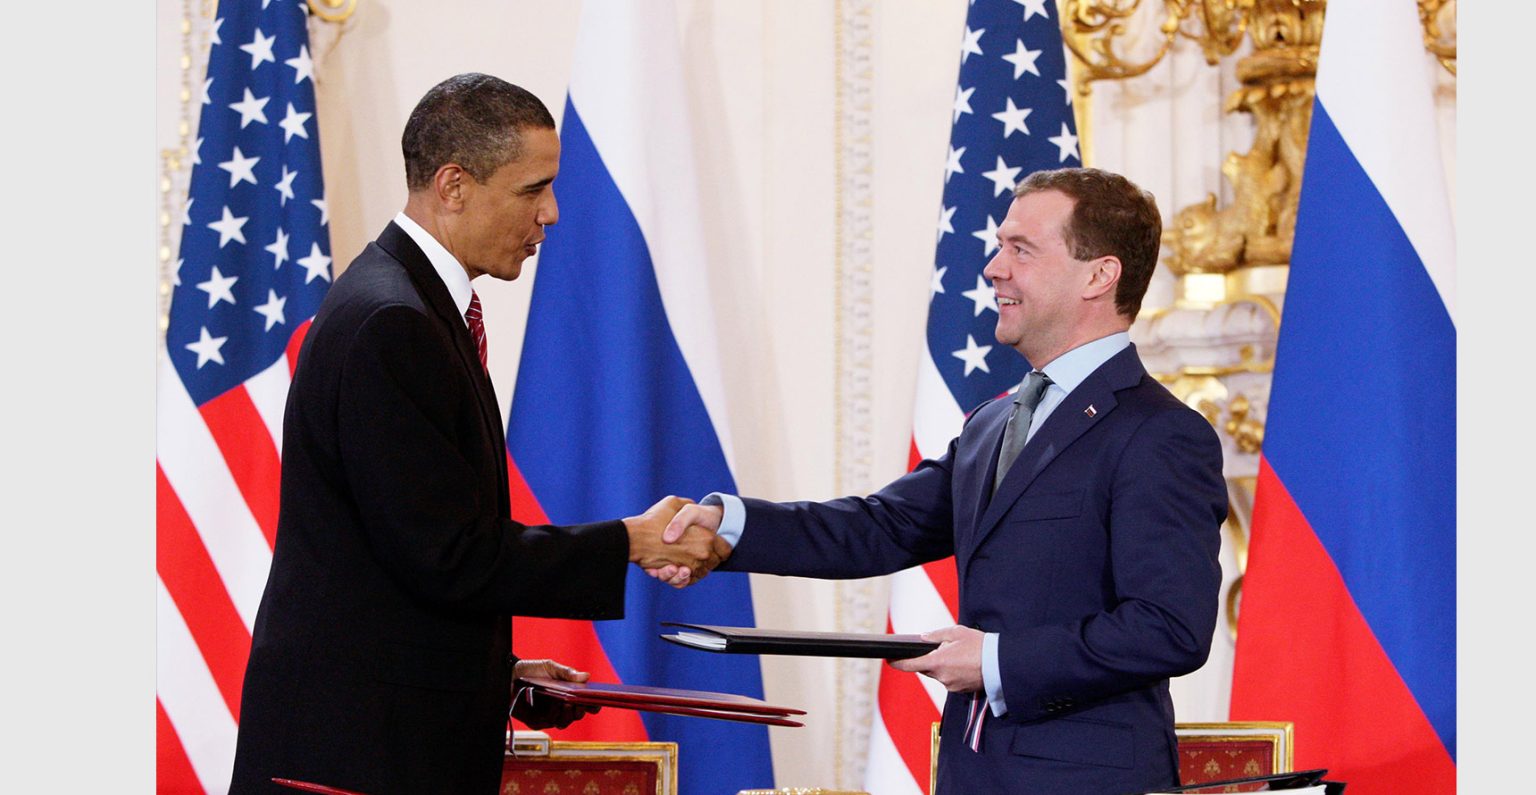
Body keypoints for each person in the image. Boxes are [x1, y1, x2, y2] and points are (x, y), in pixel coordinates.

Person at [230, 73, 728, 795]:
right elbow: (447, 553)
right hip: (355, 756)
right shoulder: (392, 322)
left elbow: (391, 564)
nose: (551, 213)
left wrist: (501, 673)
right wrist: (630, 540)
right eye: (533, 190)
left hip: (381, 735)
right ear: (454, 185)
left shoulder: (409, 303)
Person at [656, 168, 1227, 794]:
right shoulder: (993, 422)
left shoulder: (1159, 433)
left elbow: (1168, 628)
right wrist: (727, 528)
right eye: (1000, 246)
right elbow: (881, 527)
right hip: (971, 773)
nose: (993, 268)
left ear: (1099, 275)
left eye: (1021, 249)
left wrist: (994, 660)